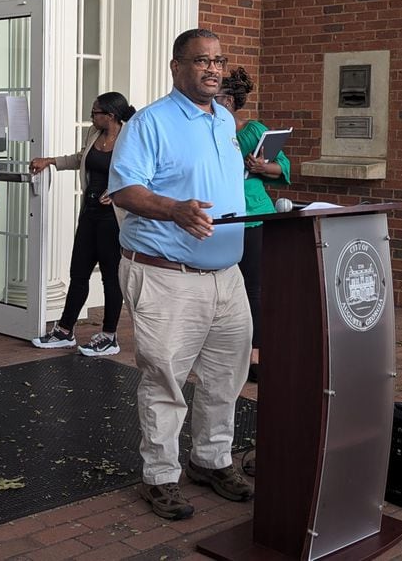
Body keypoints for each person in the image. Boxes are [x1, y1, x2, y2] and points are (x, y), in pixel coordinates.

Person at [109, 28, 253, 520]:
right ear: (177, 67)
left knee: (224, 379)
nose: (212, 69)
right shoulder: (151, 122)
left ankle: (210, 461)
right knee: (165, 381)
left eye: (218, 60)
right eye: (200, 61)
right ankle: (160, 475)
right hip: (167, 275)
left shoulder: (225, 122)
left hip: (227, 277)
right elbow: (124, 190)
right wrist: (174, 209)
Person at [29, 92, 136, 356]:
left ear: (110, 115)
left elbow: (142, 171)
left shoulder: (131, 138)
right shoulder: (93, 134)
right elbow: (80, 158)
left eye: (95, 112)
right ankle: (65, 331)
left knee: (111, 278)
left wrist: (116, 191)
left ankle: (110, 336)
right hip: (89, 212)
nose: (92, 116)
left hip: (114, 218)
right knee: (78, 272)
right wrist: (50, 161)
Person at [215, 67, 290, 383]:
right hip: (221, 217)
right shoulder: (208, 128)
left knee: (252, 287)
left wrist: (262, 165)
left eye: (216, 96)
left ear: (228, 100)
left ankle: (255, 354)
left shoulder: (253, 130)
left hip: (253, 214)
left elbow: (282, 167)